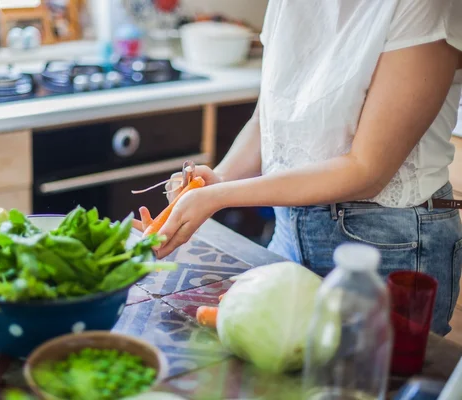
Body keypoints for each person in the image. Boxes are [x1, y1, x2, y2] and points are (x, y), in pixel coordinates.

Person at [134, 0, 462, 335]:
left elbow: (368, 171)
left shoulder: (426, 6)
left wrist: (219, 196)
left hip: (389, 247)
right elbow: (267, 120)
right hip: (288, 232)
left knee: (367, 382)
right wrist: (218, 179)